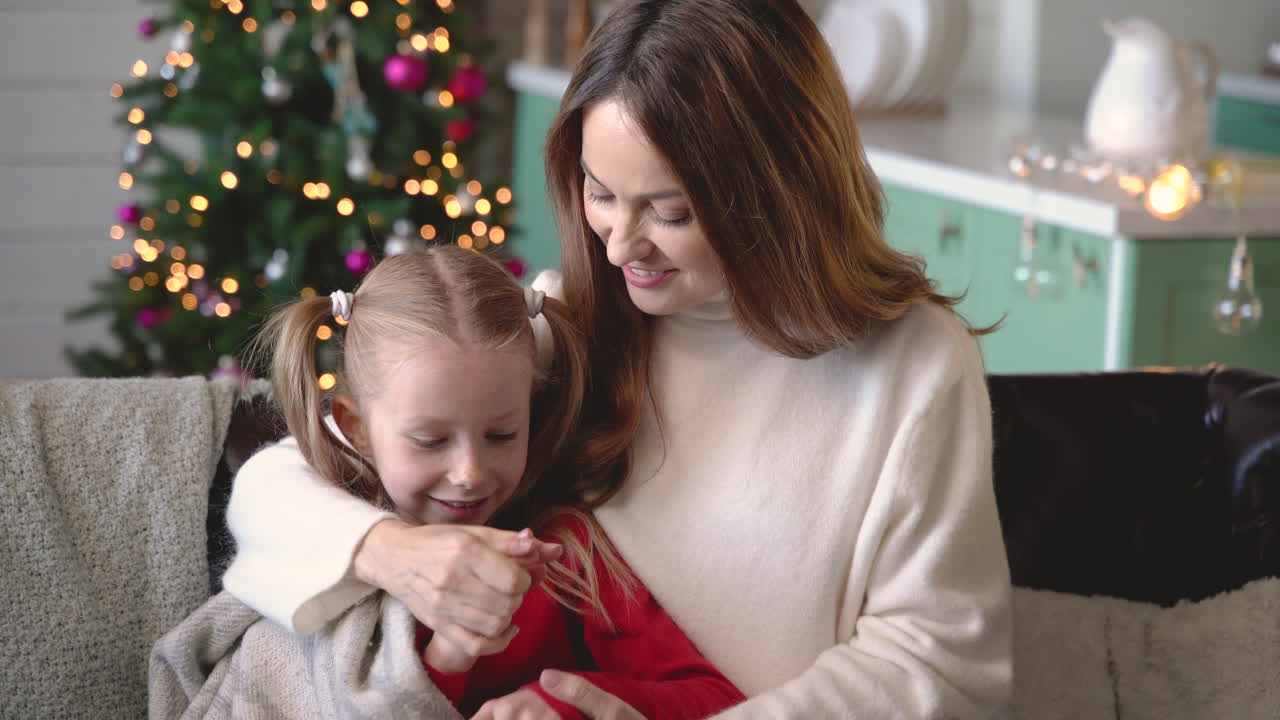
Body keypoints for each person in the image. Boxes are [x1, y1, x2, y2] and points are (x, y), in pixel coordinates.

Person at [224, 0, 1014, 717]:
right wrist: (393, 553)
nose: (619, 243)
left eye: (668, 211)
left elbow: (941, 668)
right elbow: (276, 485)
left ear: (778, 192)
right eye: (600, 192)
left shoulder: (910, 366)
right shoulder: (572, 315)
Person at [233, 247, 746, 719]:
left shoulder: (566, 554)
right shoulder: (314, 528)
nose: (470, 474)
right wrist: (444, 662)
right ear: (356, 427)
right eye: (430, 441)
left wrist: (568, 703)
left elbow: (716, 698)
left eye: (501, 434)